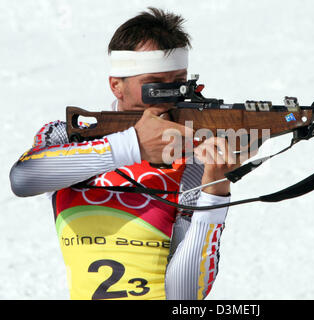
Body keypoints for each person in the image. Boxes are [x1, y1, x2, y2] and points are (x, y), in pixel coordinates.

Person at [9, 7, 239, 300]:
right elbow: (24, 179)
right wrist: (133, 145)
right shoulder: (68, 136)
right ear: (116, 85)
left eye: (179, 83)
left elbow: (184, 297)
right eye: (154, 85)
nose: (170, 96)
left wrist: (215, 191)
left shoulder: (190, 160)